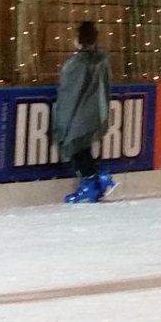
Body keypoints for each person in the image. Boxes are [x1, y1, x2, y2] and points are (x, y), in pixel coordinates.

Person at [51, 21, 114, 204]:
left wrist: (62, 121)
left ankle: (91, 183)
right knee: (83, 148)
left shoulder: (75, 65)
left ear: (78, 40)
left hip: (79, 113)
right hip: (94, 112)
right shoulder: (101, 61)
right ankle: (96, 180)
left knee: (77, 148)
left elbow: (69, 94)